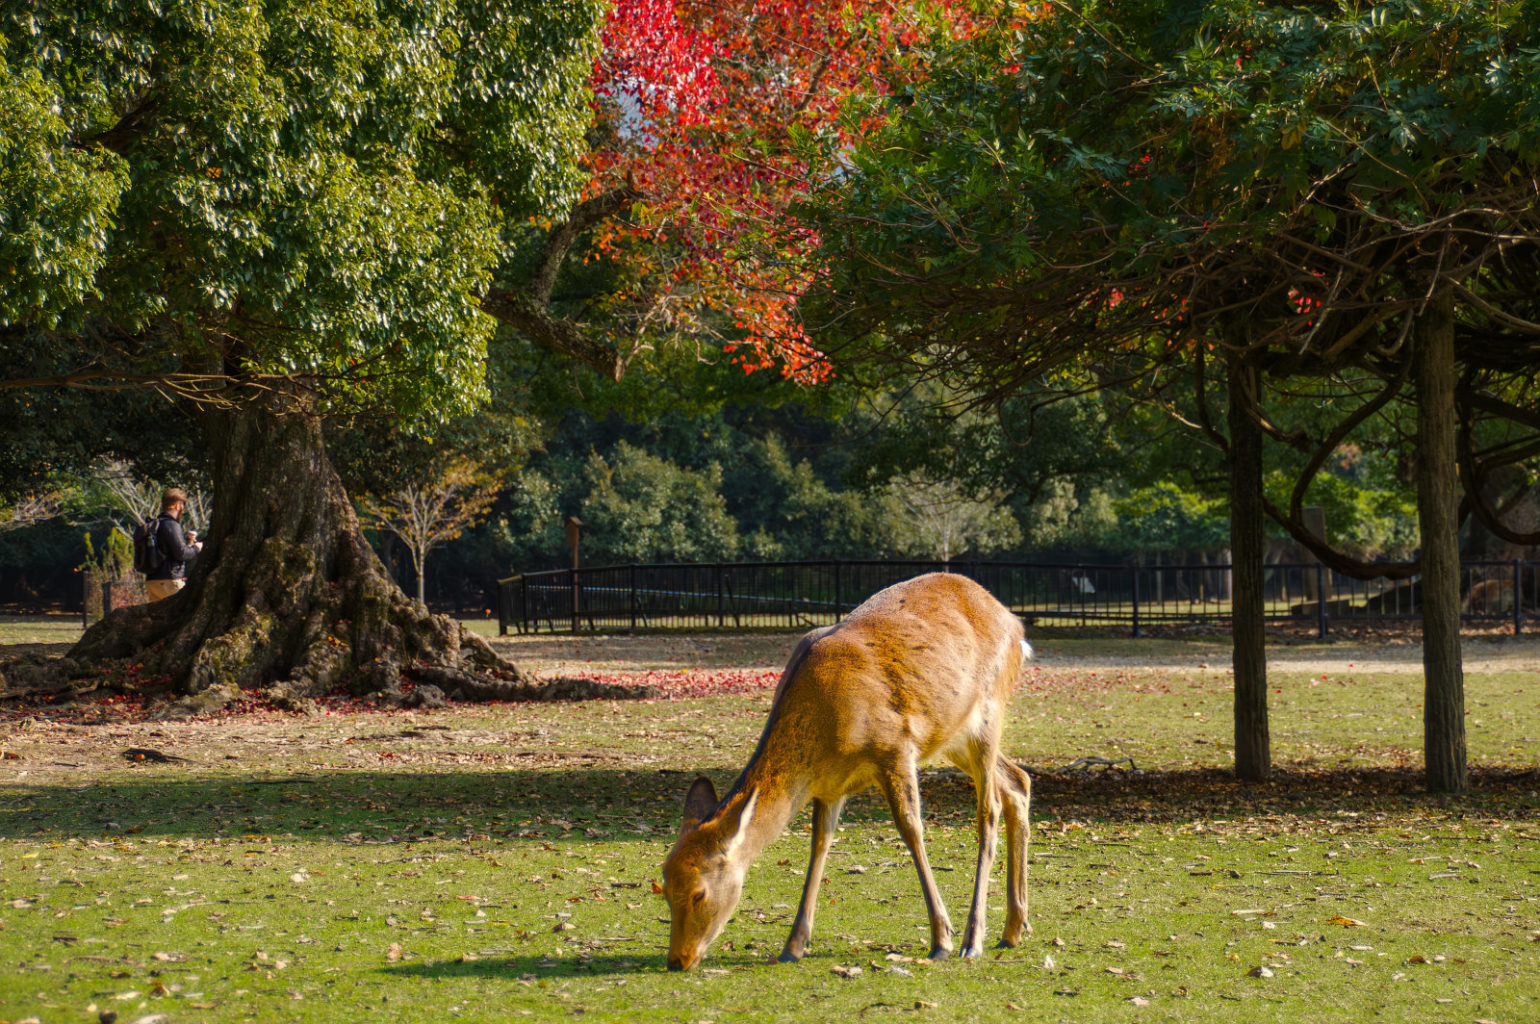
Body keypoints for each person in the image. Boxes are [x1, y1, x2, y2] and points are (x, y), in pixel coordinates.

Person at [145, 487, 204, 602]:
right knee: (182, 616)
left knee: (159, 618)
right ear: (178, 506)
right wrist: (197, 548)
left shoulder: (155, 524)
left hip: (152, 581)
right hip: (169, 582)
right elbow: (182, 554)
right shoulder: (171, 525)